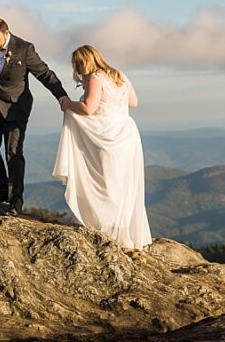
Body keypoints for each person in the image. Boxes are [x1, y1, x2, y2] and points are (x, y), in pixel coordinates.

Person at [0, 17, 69, 215]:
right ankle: (2, 192)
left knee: (13, 152)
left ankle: (16, 199)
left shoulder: (24, 48)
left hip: (16, 107)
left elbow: (45, 74)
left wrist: (61, 96)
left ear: (6, 32)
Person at [52, 45, 151, 252]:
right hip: (127, 134)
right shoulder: (118, 74)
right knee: (122, 184)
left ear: (83, 62)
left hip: (106, 136)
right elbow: (133, 102)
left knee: (105, 182)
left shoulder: (95, 78)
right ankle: (123, 232)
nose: (77, 70)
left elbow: (88, 107)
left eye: (77, 65)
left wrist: (67, 103)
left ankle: (112, 231)